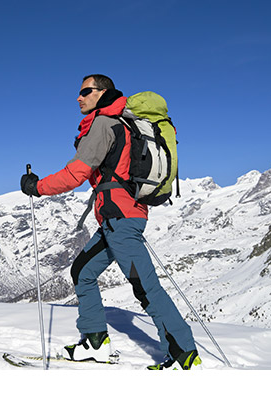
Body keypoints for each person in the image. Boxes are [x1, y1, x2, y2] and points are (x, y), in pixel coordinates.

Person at [20, 74, 201, 370]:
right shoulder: (123, 122)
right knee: (82, 271)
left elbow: (76, 173)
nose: (79, 97)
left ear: (102, 92)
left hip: (121, 217)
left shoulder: (105, 123)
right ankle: (94, 343)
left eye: (85, 92)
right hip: (119, 218)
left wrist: (37, 187)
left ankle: (185, 357)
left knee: (145, 287)